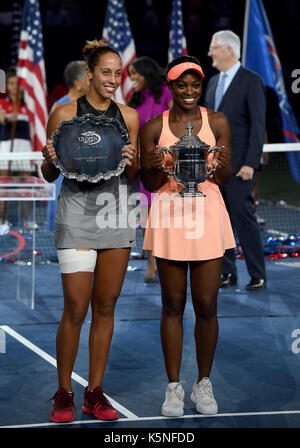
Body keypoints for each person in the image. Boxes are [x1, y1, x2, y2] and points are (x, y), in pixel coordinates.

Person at [41, 40, 139, 423]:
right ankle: (63, 392)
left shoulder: (129, 117)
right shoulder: (63, 114)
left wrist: (133, 163)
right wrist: (49, 159)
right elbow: (49, 173)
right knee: (77, 307)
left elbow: (134, 178)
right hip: (76, 215)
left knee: (105, 307)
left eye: (118, 73)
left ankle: (94, 393)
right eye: (106, 72)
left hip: (116, 215)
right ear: (90, 73)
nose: (113, 80)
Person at [140, 55, 235, 417]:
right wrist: (152, 165)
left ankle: (204, 384)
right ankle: (174, 388)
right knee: (172, 305)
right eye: (182, 84)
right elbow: (149, 184)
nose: (190, 90)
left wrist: (223, 166)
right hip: (169, 216)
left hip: (208, 216)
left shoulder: (219, 121)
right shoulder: (153, 126)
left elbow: (222, 180)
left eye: (195, 84)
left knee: (208, 305)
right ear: (171, 86)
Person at [205, 30, 267, 291]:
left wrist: (250, 163)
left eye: (213, 47)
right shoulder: (212, 83)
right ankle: (227, 272)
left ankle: (258, 273)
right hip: (213, 168)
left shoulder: (251, 81)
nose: (210, 53)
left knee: (244, 219)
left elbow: (257, 125)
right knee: (219, 222)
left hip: (240, 167)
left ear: (229, 50)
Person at [128, 56, 172, 282]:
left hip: (168, 166)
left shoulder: (166, 93)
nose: (132, 79)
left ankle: (171, 261)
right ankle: (151, 263)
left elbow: (178, 123)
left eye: (135, 74)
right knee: (147, 217)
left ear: (146, 72)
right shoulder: (134, 99)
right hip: (146, 167)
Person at [47, 60, 89, 231]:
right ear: (78, 83)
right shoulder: (59, 108)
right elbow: (51, 144)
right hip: (65, 173)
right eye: (88, 78)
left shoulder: (91, 105)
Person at [0, 67, 34, 227]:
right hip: (6, 147)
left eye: (17, 83)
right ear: (7, 86)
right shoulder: (2, 103)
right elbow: (1, 120)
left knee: (25, 183)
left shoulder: (29, 105)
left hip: (25, 147)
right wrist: (8, 117)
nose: (14, 86)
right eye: (11, 83)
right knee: (4, 183)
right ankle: (2, 219)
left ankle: (26, 219)